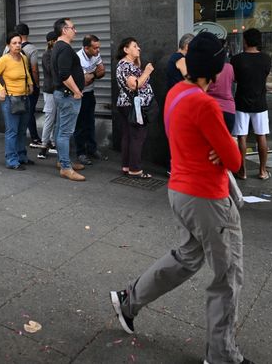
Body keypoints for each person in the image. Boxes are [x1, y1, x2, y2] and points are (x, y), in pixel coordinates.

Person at [110, 32, 253, 364]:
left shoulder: (176, 90)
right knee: (227, 276)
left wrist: (218, 150)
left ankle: (129, 299)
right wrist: (222, 151)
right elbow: (234, 160)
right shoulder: (204, 103)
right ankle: (222, 355)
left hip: (181, 191)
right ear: (216, 71)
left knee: (186, 258)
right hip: (208, 198)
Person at [230, 28, 272, 180]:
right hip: (260, 102)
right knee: (261, 136)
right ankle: (262, 171)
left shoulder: (236, 59)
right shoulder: (266, 59)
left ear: (245, 41)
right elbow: (265, 76)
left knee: (242, 137)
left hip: (241, 101)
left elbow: (234, 79)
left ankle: (242, 171)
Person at [0, 32, 35, 170]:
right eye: (14, 43)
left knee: (22, 130)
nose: (17, 45)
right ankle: (11, 159)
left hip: (24, 97)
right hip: (11, 99)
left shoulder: (23, 57)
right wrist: (1, 90)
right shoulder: (4, 60)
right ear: (8, 45)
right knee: (12, 131)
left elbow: (26, 72)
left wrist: (31, 84)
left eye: (19, 43)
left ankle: (22, 156)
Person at [115, 37, 155, 179]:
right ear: (126, 50)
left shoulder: (127, 65)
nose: (138, 48)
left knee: (128, 136)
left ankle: (127, 166)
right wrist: (147, 72)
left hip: (128, 104)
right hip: (134, 106)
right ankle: (135, 169)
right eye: (134, 46)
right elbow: (134, 85)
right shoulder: (125, 65)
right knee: (137, 137)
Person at [51, 18, 86, 181]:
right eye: (73, 28)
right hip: (68, 95)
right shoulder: (64, 48)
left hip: (63, 94)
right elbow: (64, 74)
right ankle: (65, 167)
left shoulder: (58, 47)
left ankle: (62, 160)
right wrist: (77, 91)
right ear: (64, 30)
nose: (75, 31)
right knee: (65, 132)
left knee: (60, 130)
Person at [75, 34, 106, 165]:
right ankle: (81, 152)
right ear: (86, 48)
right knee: (80, 125)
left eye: (98, 47)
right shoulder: (78, 58)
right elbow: (84, 81)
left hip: (90, 93)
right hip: (79, 95)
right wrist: (94, 73)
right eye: (95, 48)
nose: (98, 51)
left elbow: (102, 71)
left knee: (90, 122)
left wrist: (91, 75)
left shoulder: (95, 55)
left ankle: (92, 149)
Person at [37, 31, 59, 160]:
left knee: (55, 118)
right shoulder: (47, 55)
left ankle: (52, 142)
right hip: (50, 90)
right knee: (50, 117)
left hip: (56, 90)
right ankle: (43, 146)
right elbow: (52, 71)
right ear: (52, 41)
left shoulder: (54, 53)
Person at [207, 47, 236, 132]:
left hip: (210, 108)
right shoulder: (230, 67)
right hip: (228, 109)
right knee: (226, 141)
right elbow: (234, 79)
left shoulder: (207, 67)